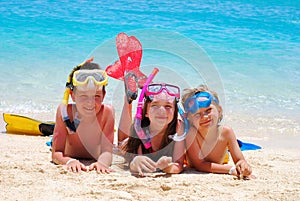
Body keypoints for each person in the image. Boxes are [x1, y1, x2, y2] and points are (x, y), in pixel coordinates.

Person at [52, 60, 115, 173]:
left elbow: (107, 152)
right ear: (73, 96)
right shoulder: (65, 112)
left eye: (96, 96)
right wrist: (69, 161)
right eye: (83, 96)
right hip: (67, 148)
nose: (90, 103)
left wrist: (102, 163)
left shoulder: (107, 113)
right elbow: (56, 153)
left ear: (104, 95)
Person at [183, 84, 252, 178]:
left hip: (223, 158)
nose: (204, 117)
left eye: (208, 110)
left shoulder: (226, 132)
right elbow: (199, 165)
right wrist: (231, 170)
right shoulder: (192, 134)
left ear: (219, 110)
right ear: (189, 118)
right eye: (197, 114)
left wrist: (243, 166)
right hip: (193, 161)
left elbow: (240, 160)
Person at [118, 81, 185, 176]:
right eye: (155, 105)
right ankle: (128, 101)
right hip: (127, 146)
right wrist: (135, 162)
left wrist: (167, 167)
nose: (161, 110)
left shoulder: (179, 127)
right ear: (146, 112)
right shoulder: (140, 128)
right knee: (121, 143)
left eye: (168, 106)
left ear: (175, 113)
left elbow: (179, 164)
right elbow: (133, 162)